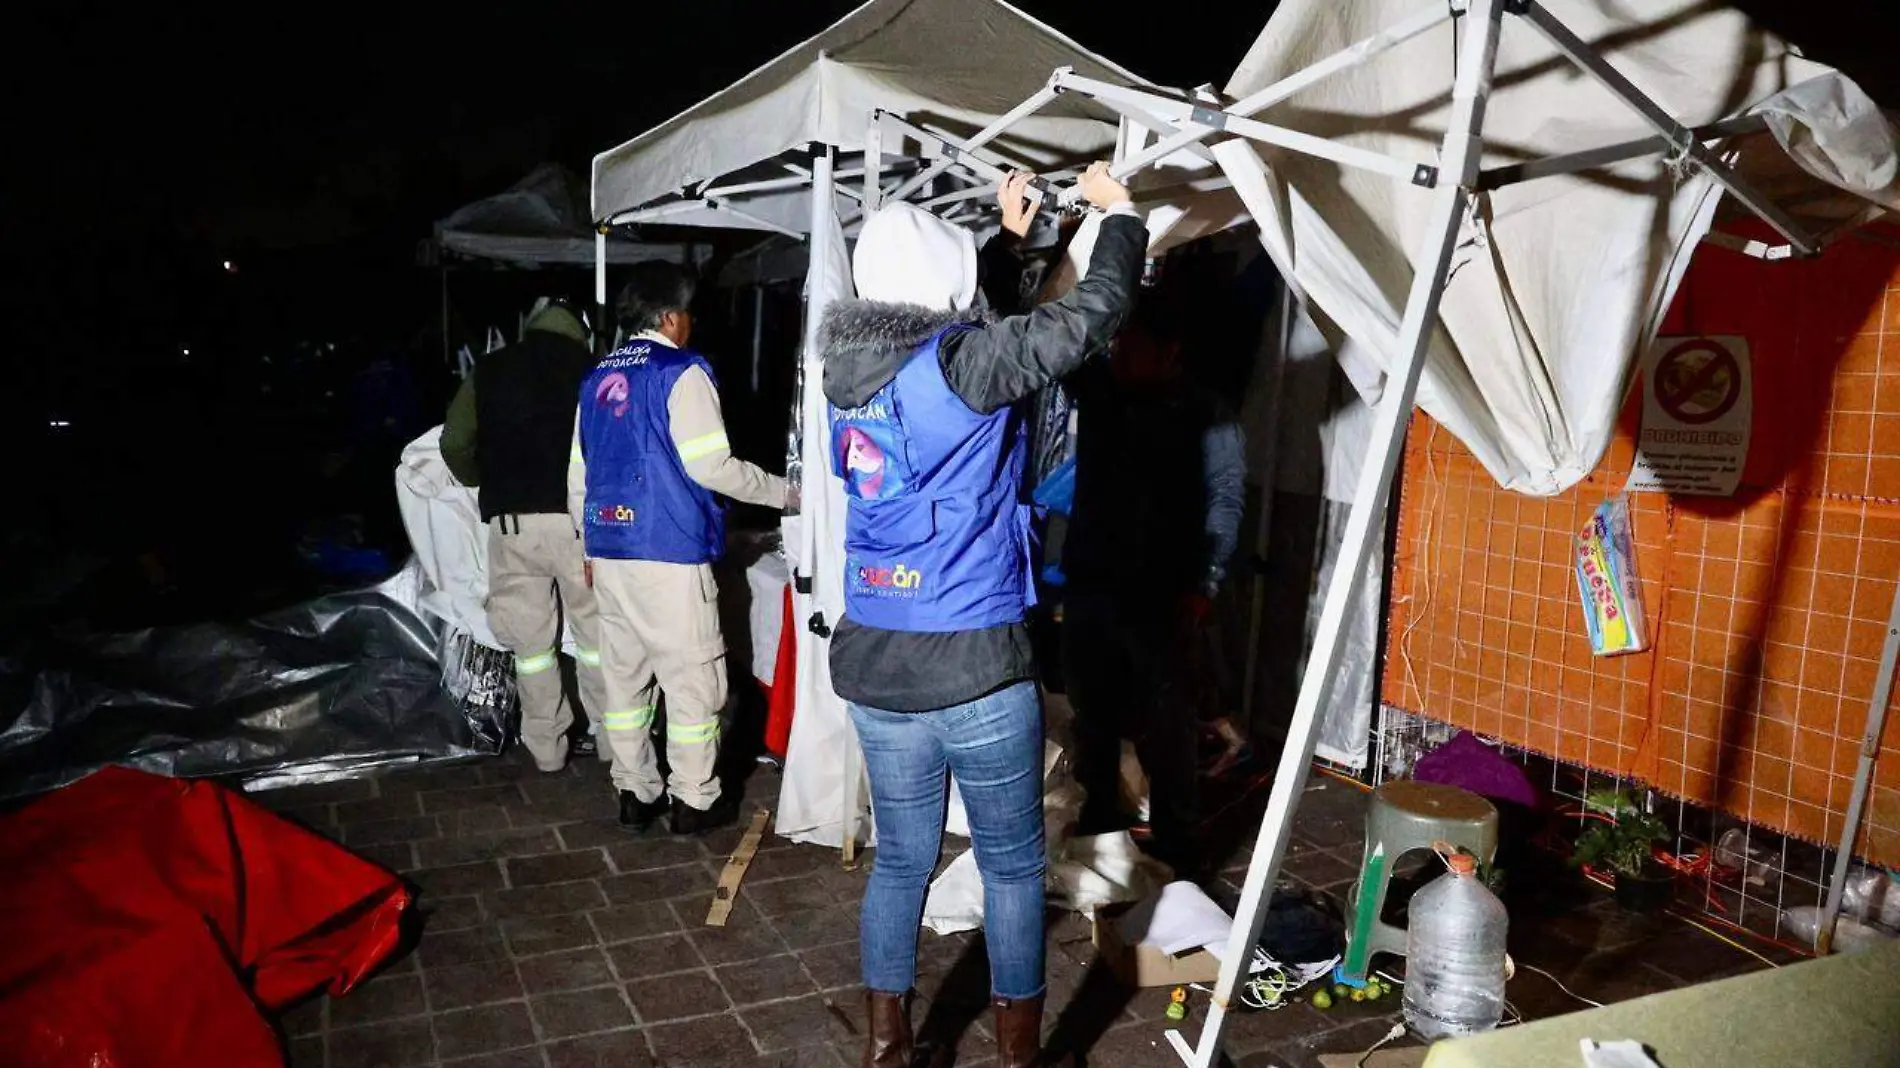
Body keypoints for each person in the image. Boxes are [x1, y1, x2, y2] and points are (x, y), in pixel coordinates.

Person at [822, 163, 1142, 1068]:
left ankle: (889, 1050)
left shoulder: (844, 372)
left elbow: (958, 335)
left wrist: (1009, 242)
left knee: (899, 863)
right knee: (1009, 870)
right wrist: (1119, 219)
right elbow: (1086, 320)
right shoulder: (965, 368)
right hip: (975, 666)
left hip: (878, 666)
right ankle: (1018, 1058)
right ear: (946, 290)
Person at [568, 262, 787, 836]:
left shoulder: (594, 380)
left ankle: (634, 790)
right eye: (688, 313)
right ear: (670, 318)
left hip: (609, 548)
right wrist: (787, 493)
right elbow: (711, 466)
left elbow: (577, 475)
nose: (691, 323)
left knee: (625, 678)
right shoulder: (682, 371)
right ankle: (695, 798)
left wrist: (588, 546)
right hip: (667, 550)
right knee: (693, 679)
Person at [1060, 284, 1246, 880]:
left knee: (1168, 723)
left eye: (1133, 346)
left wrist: (1204, 585)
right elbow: (1050, 346)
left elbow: (1224, 502)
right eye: (1117, 343)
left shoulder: (1207, 415)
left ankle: (1179, 843)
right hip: (1094, 582)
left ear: (1170, 352)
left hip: (1163, 592)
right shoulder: (1100, 392)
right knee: (1094, 714)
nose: (1119, 354)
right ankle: (1101, 825)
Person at [439, 297, 609, 774]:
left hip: (513, 527)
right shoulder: (596, 370)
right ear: (583, 330)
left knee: (532, 649)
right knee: (598, 639)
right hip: (582, 525)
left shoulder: (490, 370)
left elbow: (454, 443)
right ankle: (616, 745)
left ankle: (549, 752)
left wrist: (484, 479)